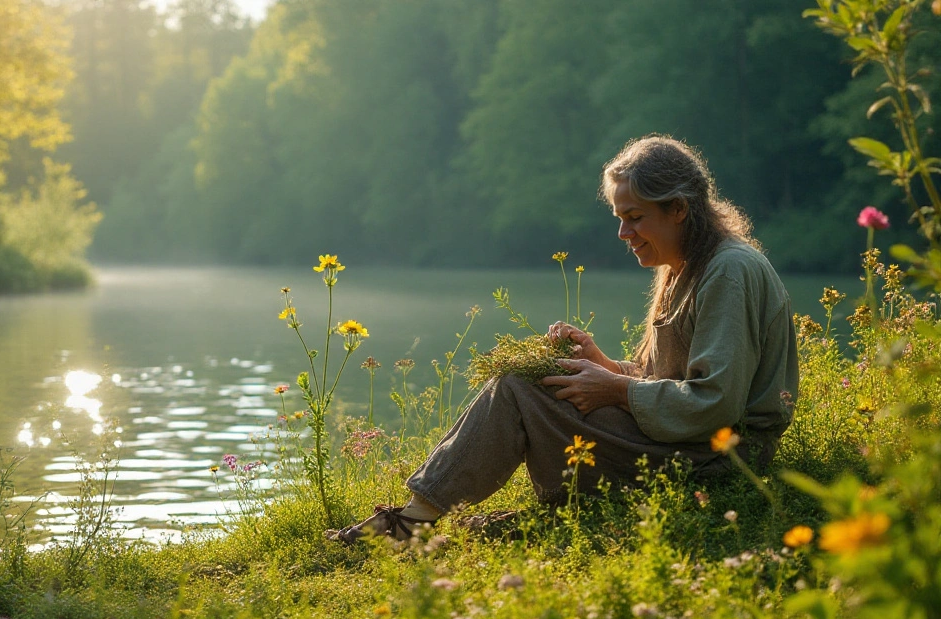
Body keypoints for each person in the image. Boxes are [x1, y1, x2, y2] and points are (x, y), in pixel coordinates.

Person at [327, 135, 800, 543]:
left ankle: (414, 524)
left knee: (518, 386)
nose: (622, 232)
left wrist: (614, 388)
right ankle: (423, 516)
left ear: (678, 209)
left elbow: (714, 402)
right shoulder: (681, 264)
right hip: (685, 442)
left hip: (719, 462)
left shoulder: (728, 271)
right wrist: (603, 364)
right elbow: (662, 381)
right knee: (540, 377)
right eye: (619, 217)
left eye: (634, 217)